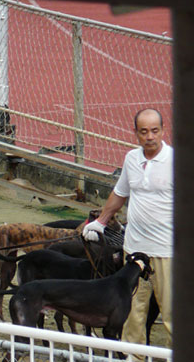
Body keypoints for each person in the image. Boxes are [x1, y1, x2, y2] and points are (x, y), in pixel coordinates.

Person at [82, 108, 172, 358]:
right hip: (134, 251)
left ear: (163, 131)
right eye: (143, 132)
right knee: (133, 312)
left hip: (169, 252)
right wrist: (100, 221)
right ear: (136, 134)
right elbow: (120, 192)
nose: (150, 137)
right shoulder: (131, 159)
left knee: (174, 314)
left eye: (154, 130)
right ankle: (134, 357)